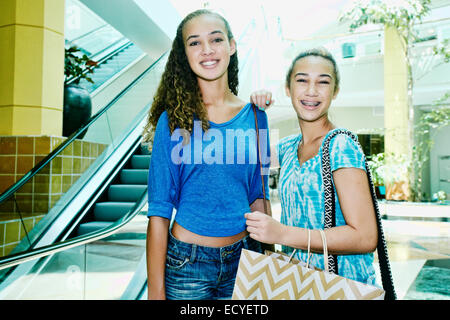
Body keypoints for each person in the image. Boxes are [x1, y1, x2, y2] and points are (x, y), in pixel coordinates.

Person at [142, 9, 271, 300]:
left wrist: (267, 263)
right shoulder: (172, 121)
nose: (207, 50)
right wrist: (155, 292)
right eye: (195, 42)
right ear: (184, 53)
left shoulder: (256, 117)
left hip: (244, 261)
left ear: (232, 46)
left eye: (215, 39)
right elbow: (159, 212)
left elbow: (258, 197)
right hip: (187, 265)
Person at [246, 47, 379, 285]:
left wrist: (282, 234)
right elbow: (246, 159)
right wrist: (255, 112)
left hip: (344, 286)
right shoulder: (288, 147)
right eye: (302, 80)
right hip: (299, 282)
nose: (311, 91)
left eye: (323, 82)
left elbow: (365, 236)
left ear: (335, 91)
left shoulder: (341, 146)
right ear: (288, 89)